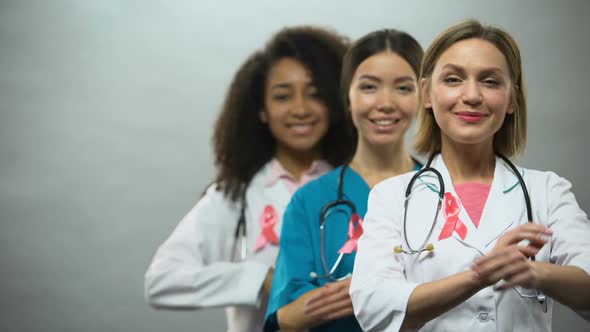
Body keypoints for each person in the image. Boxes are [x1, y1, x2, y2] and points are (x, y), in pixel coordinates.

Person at [350, 19, 590, 332]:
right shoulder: (391, 197)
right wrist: (478, 276)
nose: (472, 95)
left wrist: (535, 273)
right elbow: (374, 306)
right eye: (453, 80)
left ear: (512, 100)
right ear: (426, 93)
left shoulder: (547, 191)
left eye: (490, 81)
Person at [144, 26, 354, 332]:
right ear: (262, 111)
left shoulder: (358, 185)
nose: (300, 109)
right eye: (283, 96)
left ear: (335, 104)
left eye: (315, 94)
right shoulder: (233, 198)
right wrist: (258, 278)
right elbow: (160, 282)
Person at [264, 29, 424, 332]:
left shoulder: (442, 194)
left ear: (423, 96)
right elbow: (284, 318)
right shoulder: (309, 201)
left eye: (403, 88)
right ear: (348, 98)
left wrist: (373, 293)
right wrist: (359, 295)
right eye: (369, 87)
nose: (385, 102)